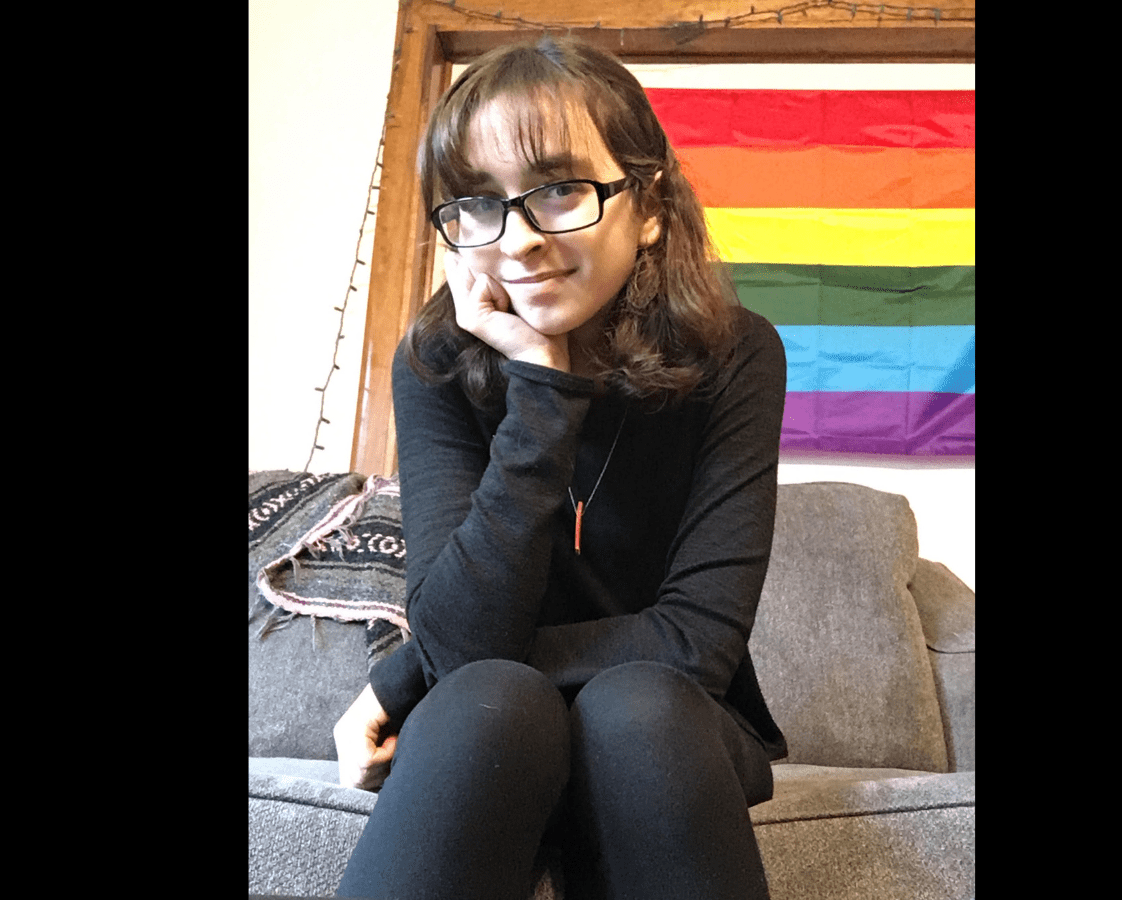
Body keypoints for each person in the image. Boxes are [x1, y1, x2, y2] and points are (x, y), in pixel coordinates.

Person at [333, 34, 788, 900]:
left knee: (634, 706)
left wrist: (400, 676)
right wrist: (542, 384)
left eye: (559, 190)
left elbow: (694, 645)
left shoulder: (737, 355)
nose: (518, 240)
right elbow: (466, 654)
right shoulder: (434, 360)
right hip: (492, 721)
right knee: (489, 704)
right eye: (476, 203)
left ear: (648, 203)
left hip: (675, 726)